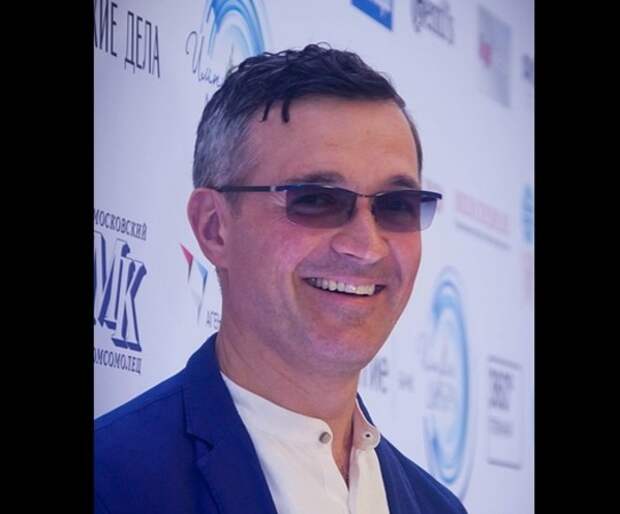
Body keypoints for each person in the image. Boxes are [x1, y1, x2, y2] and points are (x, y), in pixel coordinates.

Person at [95, 43, 467, 514]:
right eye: (316, 200)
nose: (366, 246)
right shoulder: (110, 481)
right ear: (214, 228)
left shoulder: (438, 507)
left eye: (396, 206)